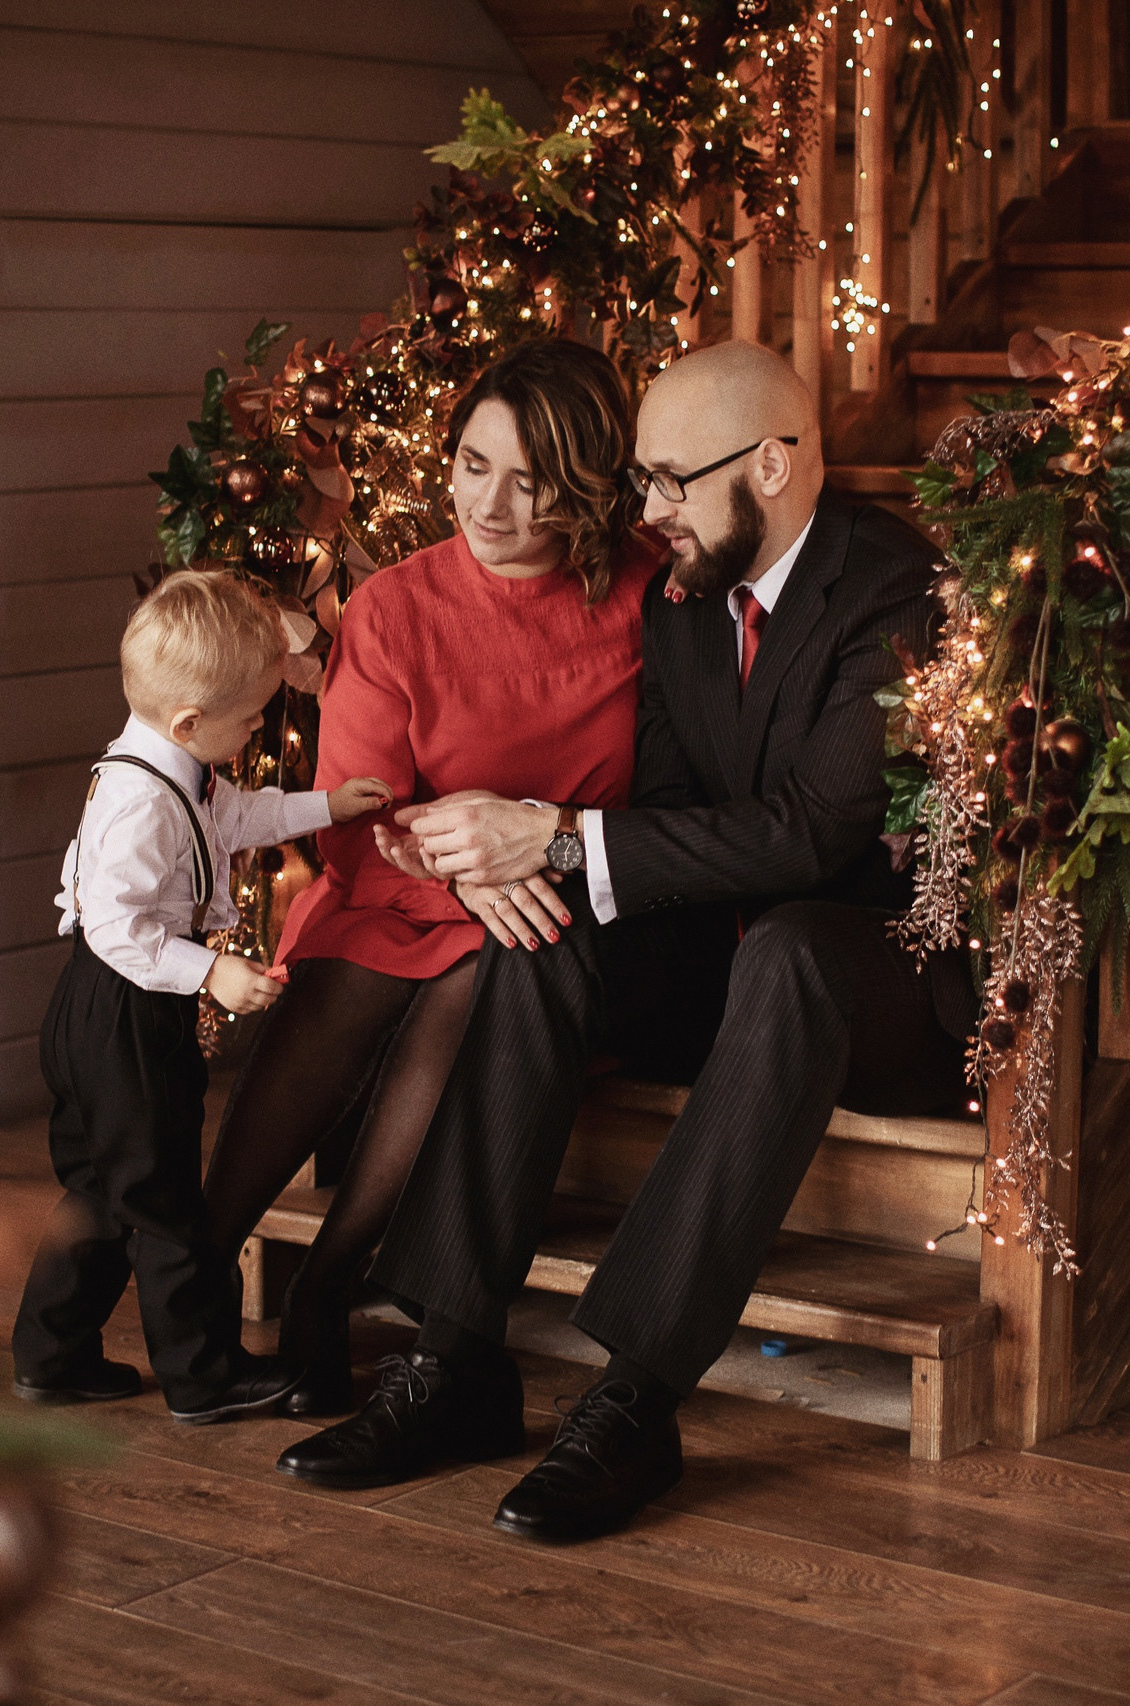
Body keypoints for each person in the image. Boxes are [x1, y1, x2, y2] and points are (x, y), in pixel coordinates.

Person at [274, 339, 975, 1538]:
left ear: (769, 464)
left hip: (880, 983)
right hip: (729, 961)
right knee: (540, 933)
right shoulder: (685, 588)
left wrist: (552, 832)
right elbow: (659, 810)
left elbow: (812, 834)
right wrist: (527, 863)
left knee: (792, 945)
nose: (645, 515)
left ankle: (636, 1399)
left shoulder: (897, 593)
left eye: (665, 482)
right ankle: (455, 1362)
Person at [199, 339, 665, 1415]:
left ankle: (330, 1281)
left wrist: (533, 854)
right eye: (471, 463)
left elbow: (672, 787)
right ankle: (199, 1254)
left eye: (530, 477)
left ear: (586, 481)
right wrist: (458, 879)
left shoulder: (646, 594)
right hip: (395, 878)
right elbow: (356, 818)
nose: (489, 505)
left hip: (546, 896)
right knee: (349, 967)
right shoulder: (397, 607)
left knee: (481, 967)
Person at [11, 569, 391, 1420]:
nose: (261, 723)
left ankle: (51, 1353)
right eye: (251, 714)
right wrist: (208, 970)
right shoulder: (143, 804)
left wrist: (324, 805)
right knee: (167, 1202)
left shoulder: (175, 768)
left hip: (99, 1010)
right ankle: (202, 1374)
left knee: (105, 1192)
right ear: (191, 722)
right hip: (123, 1014)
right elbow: (114, 926)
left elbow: (238, 819)